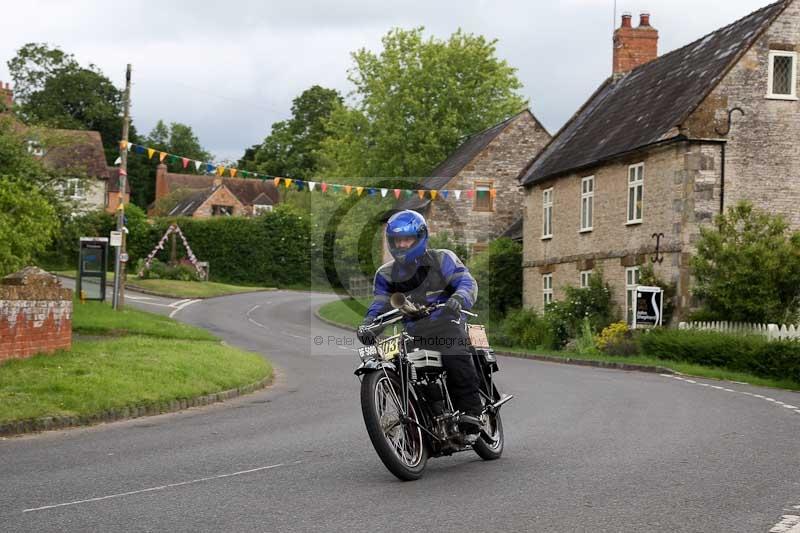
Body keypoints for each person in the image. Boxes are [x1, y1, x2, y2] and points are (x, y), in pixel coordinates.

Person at [356, 209, 483, 435]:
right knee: (402, 367)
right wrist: (368, 323)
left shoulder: (442, 258)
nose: (403, 245)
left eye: (408, 239)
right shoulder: (385, 274)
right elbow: (380, 303)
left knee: (454, 355)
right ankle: (424, 419)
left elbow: (466, 282)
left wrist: (457, 299)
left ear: (420, 237)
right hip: (415, 332)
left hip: (447, 324)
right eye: (397, 240)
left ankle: (471, 412)